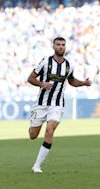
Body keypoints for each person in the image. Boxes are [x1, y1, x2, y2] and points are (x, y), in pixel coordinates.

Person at [28, 37, 91, 173]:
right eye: (58, 45)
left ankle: (37, 166)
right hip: (41, 104)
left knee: (50, 130)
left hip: (57, 105)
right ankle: (34, 124)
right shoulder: (46, 62)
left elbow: (72, 81)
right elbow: (30, 78)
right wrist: (42, 84)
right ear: (53, 46)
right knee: (33, 135)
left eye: (63, 45)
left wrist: (83, 83)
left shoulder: (69, 66)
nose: (61, 47)